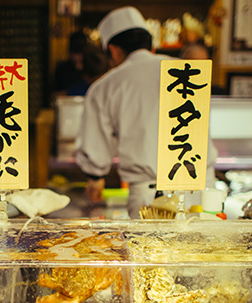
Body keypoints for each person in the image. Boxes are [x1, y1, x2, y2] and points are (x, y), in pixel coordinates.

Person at [76, 7, 216, 218]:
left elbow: (95, 150)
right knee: (207, 250)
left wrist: (95, 178)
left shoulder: (106, 86)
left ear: (113, 50)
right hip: (204, 191)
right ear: (150, 44)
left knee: (150, 250)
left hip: (150, 197)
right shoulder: (189, 71)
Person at [53, 31, 87, 97]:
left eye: (82, 53)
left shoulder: (91, 68)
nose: (80, 57)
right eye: (77, 52)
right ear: (70, 53)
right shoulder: (62, 70)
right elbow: (54, 95)